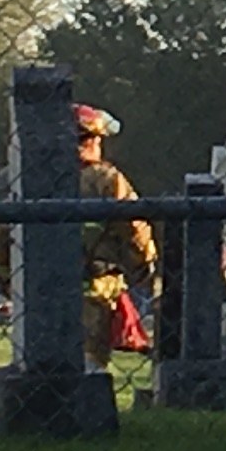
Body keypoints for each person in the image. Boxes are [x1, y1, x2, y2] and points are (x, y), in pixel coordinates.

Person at [75, 104, 159, 361]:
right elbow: (133, 225)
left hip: (40, 291)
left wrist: (7, 279)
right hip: (94, 285)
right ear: (92, 140)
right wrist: (145, 265)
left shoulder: (33, 179)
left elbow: (2, 237)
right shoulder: (105, 179)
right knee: (90, 358)